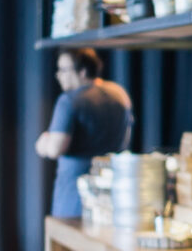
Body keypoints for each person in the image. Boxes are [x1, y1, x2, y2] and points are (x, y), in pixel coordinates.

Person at [36, 48, 133, 219]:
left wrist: (43, 142)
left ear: (83, 71)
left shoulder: (69, 101)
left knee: (68, 241)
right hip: (114, 194)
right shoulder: (119, 93)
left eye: (64, 70)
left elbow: (54, 149)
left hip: (75, 196)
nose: (58, 75)